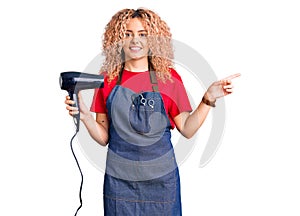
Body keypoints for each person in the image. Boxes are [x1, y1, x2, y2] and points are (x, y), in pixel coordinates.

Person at [65, 8, 240, 216]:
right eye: (127, 34)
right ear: (118, 39)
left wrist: (208, 99)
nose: (134, 40)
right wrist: (84, 116)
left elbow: (187, 128)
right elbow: (103, 137)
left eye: (142, 34)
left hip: (161, 184)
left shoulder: (168, 78)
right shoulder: (107, 79)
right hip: (120, 183)